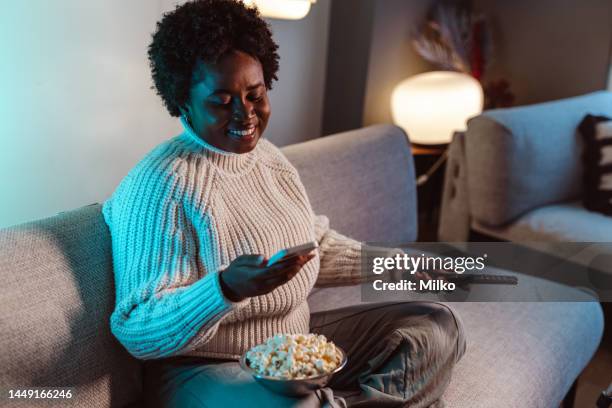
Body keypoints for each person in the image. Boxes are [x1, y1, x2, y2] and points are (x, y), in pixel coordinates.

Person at [102, 1, 466, 406]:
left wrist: (395, 264)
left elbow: (313, 248)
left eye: (255, 94)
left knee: (435, 326)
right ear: (183, 101)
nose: (245, 113)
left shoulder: (270, 160)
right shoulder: (159, 184)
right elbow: (137, 328)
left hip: (291, 345)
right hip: (202, 367)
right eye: (222, 101)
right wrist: (223, 288)